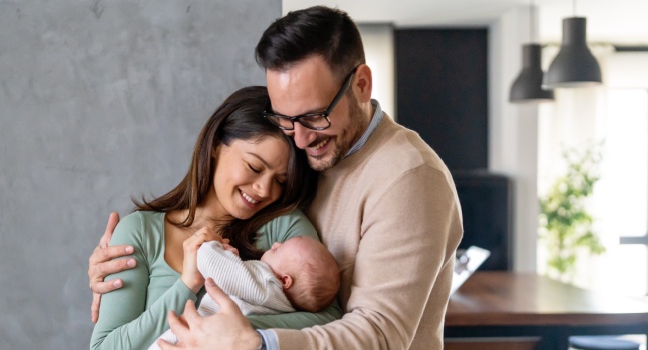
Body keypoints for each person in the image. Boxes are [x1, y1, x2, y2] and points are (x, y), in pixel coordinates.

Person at [90, 5, 464, 349]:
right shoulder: (316, 158)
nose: (299, 139)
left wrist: (256, 342)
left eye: (314, 116)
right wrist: (125, 272)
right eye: (287, 120)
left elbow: (381, 334)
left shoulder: (409, 179)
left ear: (362, 85)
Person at [89, 86, 342, 350]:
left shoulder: (284, 227)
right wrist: (187, 284)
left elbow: (331, 320)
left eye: (280, 181)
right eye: (254, 167)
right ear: (217, 146)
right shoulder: (141, 232)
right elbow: (105, 347)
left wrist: (231, 335)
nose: (265, 190)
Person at [148, 236, 340, 349]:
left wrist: (214, 246)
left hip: (195, 334)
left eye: (280, 249)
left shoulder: (267, 283)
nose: (275, 244)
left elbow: (211, 263)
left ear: (284, 280)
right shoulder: (282, 306)